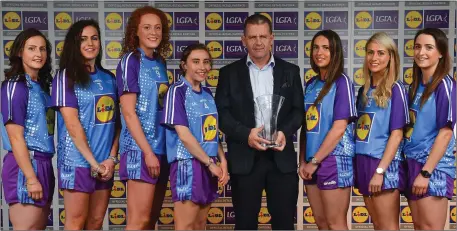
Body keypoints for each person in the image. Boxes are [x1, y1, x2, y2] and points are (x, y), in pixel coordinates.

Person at [215, 14, 303, 230]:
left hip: (281, 161)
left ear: (272, 38)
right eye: (252, 37)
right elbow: (222, 115)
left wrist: (284, 132)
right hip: (245, 160)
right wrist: (246, 134)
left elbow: (298, 111)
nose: (258, 42)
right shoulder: (228, 73)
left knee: (284, 223)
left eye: (263, 36)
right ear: (243, 40)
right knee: (245, 224)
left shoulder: (290, 71)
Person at [50, 19, 120, 230]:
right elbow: (72, 124)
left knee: (96, 222)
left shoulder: (109, 78)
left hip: (104, 164)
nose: (90, 43)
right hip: (77, 162)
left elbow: (117, 123)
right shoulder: (65, 77)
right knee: (76, 223)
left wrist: (110, 158)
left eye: (94, 38)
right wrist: (93, 163)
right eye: (83, 39)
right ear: (74, 44)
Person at [161, 43, 230, 230]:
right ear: (184, 65)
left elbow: (211, 133)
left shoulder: (207, 93)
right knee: (186, 225)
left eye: (206, 62)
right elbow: (183, 134)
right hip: (187, 164)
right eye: (196, 61)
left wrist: (222, 160)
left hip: (209, 164)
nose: (202, 67)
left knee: (200, 225)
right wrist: (210, 163)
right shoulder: (177, 91)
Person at [116, 6, 171, 230]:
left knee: (149, 221)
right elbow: (128, 112)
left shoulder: (160, 62)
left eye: (158, 28)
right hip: (140, 150)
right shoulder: (131, 61)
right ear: (135, 32)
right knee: (138, 222)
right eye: (147, 27)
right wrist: (147, 151)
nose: (153, 32)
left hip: (161, 149)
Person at [298, 29, 357, 230]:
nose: (319, 52)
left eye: (326, 48)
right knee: (322, 223)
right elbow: (306, 127)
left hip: (335, 160)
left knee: (335, 223)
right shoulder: (310, 84)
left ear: (335, 52)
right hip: (311, 162)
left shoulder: (342, 82)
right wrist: (303, 161)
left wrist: (314, 161)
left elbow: (340, 128)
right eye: (316, 47)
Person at [1, 28, 55, 230]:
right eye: (31, 49)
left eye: (42, 49)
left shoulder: (41, 87)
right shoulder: (15, 86)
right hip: (25, 165)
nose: (38, 54)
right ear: (19, 53)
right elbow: (15, 137)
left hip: (44, 162)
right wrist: (31, 178)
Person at [354, 32, 408, 230]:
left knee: (388, 227)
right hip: (363, 162)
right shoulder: (363, 91)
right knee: (378, 225)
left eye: (381, 53)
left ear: (391, 57)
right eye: (370, 52)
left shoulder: (396, 88)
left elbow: (397, 134)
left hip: (383, 164)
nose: (374, 58)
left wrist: (380, 171)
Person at [403, 28, 456, 230]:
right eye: (417, 47)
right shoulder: (415, 86)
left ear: (441, 52)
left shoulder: (445, 85)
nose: (421, 52)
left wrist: (426, 173)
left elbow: (446, 132)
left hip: (432, 168)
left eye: (429, 47)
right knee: (419, 226)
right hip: (413, 163)